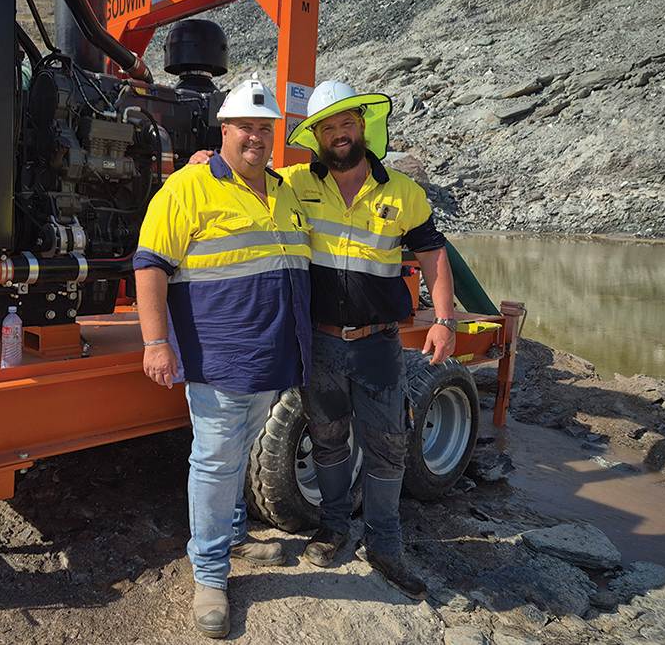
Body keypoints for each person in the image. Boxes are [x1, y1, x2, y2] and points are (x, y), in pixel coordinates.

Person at [188, 80, 456, 600]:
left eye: (346, 124)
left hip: (379, 343)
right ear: (315, 136)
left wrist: (443, 319)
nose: (338, 134)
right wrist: (207, 162)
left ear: (363, 127)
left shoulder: (403, 191)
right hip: (320, 343)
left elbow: (433, 255)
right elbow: (242, 173)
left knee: (388, 446)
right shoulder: (291, 183)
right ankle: (334, 528)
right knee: (329, 440)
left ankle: (385, 543)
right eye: (327, 127)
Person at [133, 78, 313, 638]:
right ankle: (210, 576)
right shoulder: (188, 186)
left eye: (265, 129)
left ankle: (234, 535)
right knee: (214, 462)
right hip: (219, 357)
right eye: (246, 128)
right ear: (224, 131)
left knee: (236, 451)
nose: (256, 138)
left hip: (271, 357)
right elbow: (149, 264)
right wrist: (156, 342)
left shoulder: (283, 189)